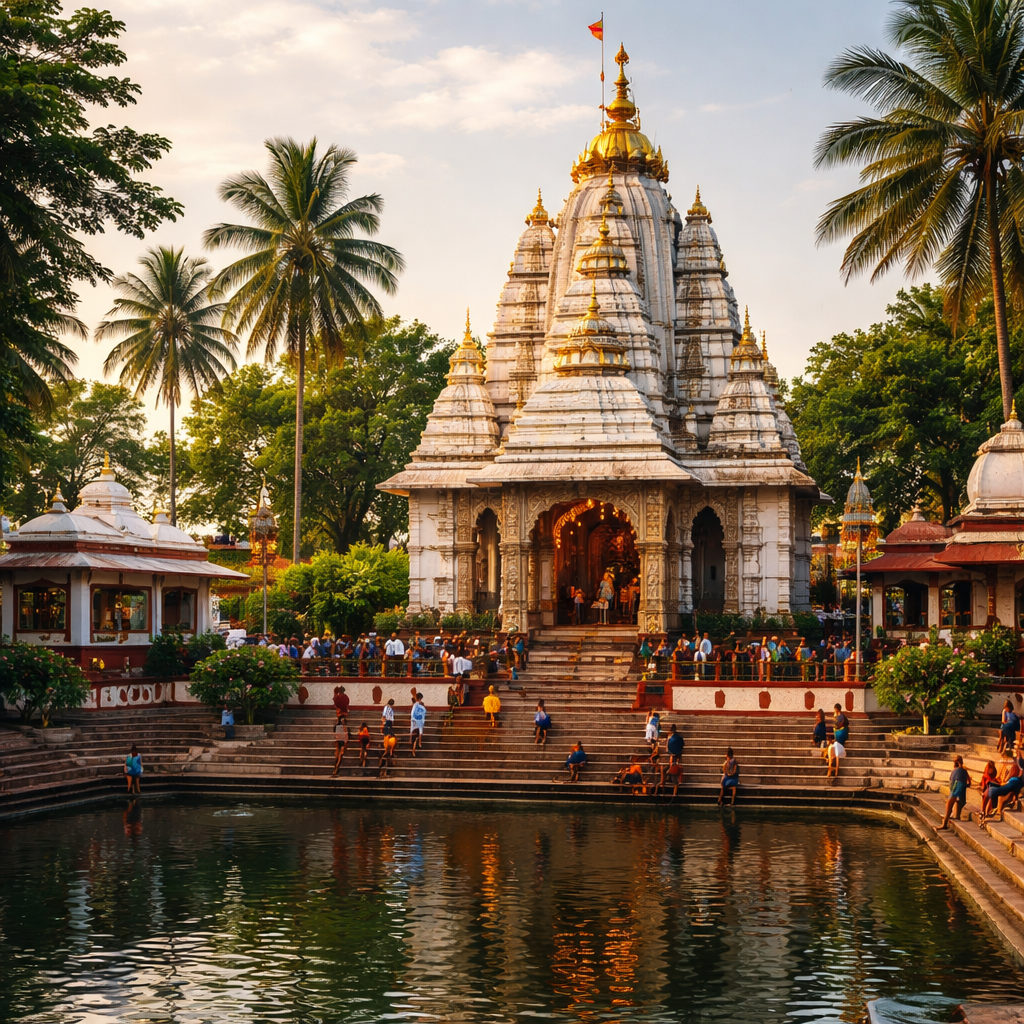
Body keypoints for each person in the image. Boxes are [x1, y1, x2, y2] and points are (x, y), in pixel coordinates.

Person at [939, 755, 971, 829]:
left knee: (949, 805)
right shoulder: (959, 771)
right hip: (956, 786)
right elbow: (969, 781)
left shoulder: (960, 770)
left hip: (957, 786)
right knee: (953, 803)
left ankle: (944, 824)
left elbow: (967, 780)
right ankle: (956, 816)